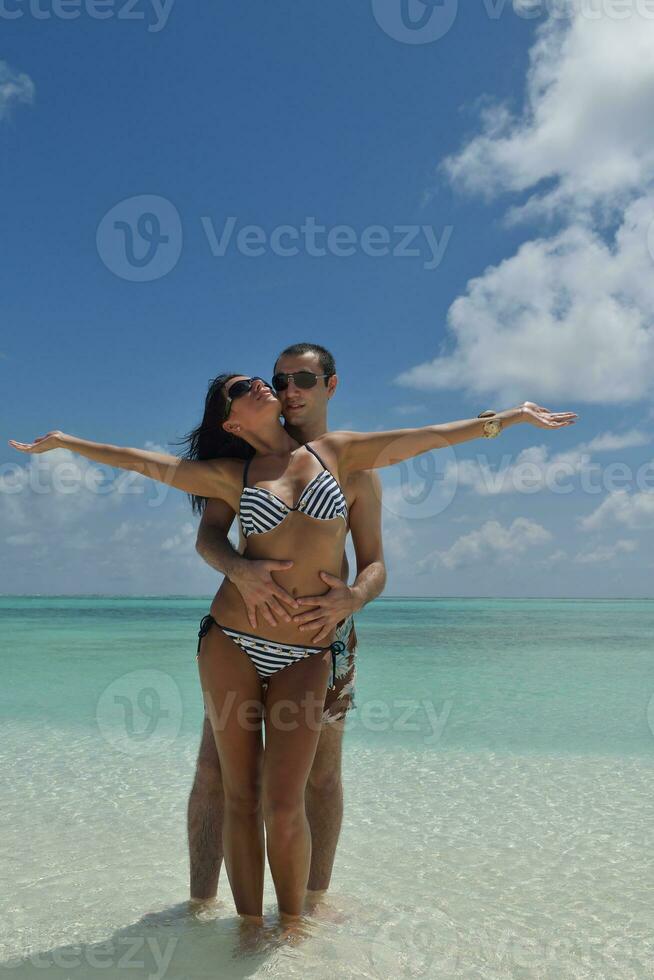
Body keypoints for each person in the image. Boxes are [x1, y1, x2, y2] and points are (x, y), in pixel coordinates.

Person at [8, 392, 577, 927]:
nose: (260, 385)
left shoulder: (339, 452)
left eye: (262, 380)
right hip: (232, 639)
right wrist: (67, 442)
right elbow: (143, 463)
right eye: (242, 388)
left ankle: (295, 930)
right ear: (231, 424)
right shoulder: (231, 475)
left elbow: (426, 438)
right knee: (238, 793)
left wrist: (510, 417)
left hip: (307, 650)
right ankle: (248, 930)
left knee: (286, 802)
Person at [187, 343, 386, 911]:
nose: (290, 389)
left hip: (326, 639)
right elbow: (210, 535)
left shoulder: (352, 465)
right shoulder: (249, 458)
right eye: (281, 379)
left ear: (331, 385)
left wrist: (354, 597)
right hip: (243, 631)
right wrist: (237, 569)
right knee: (215, 773)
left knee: (318, 778)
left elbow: (376, 563)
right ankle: (199, 910)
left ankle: (310, 907)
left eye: (304, 378)